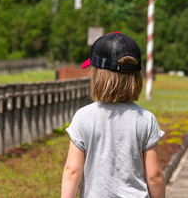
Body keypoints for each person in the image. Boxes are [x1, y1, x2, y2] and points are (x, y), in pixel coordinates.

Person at [61, 32, 165, 198]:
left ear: (97, 75)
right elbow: (154, 176)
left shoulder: (83, 117)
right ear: (136, 77)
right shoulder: (146, 119)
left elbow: (72, 171)